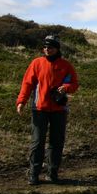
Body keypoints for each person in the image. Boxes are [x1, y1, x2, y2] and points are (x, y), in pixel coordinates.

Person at [16, 35, 79, 185]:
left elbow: (74, 83)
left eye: (50, 47)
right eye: (44, 47)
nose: (47, 49)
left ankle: (52, 173)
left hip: (59, 109)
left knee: (57, 142)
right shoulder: (36, 63)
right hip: (39, 108)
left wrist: (66, 88)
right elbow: (27, 84)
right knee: (37, 142)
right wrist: (21, 101)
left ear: (57, 48)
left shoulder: (66, 65)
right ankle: (34, 174)